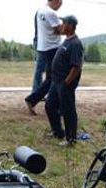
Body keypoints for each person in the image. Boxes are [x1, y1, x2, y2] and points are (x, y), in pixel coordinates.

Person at [45, 15, 83, 146]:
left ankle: (71, 139)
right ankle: (58, 132)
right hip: (56, 82)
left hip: (65, 83)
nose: (61, 25)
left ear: (71, 26)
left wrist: (66, 82)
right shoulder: (66, 41)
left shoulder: (75, 44)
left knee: (68, 110)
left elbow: (76, 67)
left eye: (64, 23)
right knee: (49, 105)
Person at [25, 0, 63, 116]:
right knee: (57, 78)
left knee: (51, 78)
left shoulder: (41, 10)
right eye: (60, 3)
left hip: (44, 47)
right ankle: (56, 106)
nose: (60, 5)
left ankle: (33, 99)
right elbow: (61, 30)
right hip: (53, 48)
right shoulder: (51, 13)